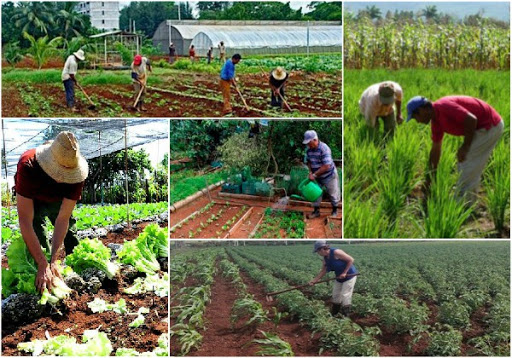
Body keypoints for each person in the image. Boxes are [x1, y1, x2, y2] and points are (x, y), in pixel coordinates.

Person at [14, 131, 89, 293]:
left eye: (67, 173)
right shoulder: (28, 165)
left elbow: (63, 218)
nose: (62, 178)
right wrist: (43, 263)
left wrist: (54, 259)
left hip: (58, 200)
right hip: (33, 199)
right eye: (59, 171)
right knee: (37, 240)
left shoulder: (77, 178)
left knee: (70, 234)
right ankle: (43, 281)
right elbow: (25, 220)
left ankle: (75, 274)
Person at [406, 95, 504, 204]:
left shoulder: (443, 106)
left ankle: (464, 204)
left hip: (490, 126)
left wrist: (465, 146)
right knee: (464, 163)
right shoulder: (436, 122)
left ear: (421, 110)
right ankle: (467, 200)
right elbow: (435, 151)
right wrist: (429, 180)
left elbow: (471, 119)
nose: (417, 122)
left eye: (415, 117)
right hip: (481, 128)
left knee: (468, 162)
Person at [309, 241, 358, 317]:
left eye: (317, 251)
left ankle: (346, 315)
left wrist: (344, 272)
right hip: (339, 277)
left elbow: (351, 260)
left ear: (322, 249)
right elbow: (323, 270)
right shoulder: (325, 258)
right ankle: (335, 313)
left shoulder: (336, 252)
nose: (318, 253)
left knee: (345, 294)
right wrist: (314, 280)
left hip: (349, 276)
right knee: (335, 295)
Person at [303, 130, 340, 218]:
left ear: (315, 140)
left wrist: (314, 175)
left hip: (329, 175)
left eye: (309, 143)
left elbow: (326, 166)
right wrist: (310, 172)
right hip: (317, 175)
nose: (308, 145)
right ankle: (316, 212)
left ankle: (335, 210)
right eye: (307, 143)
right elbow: (308, 162)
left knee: (333, 193)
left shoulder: (324, 148)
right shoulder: (308, 150)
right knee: (315, 193)